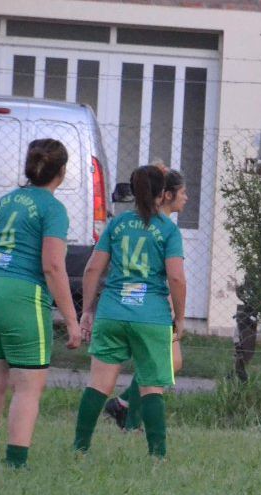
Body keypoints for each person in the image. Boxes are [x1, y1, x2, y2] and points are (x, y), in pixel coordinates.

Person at [0, 138, 81, 468]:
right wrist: (71, 319)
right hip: (21, 296)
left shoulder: (7, 200)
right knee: (27, 388)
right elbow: (53, 266)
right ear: (62, 172)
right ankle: (15, 466)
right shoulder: (53, 209)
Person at [73, 165, 186, 458]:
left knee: (99, 382)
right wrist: (181, 318)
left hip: (112, 311)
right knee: (152, 386)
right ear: (163, 194)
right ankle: (157, 456)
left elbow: (93, 268)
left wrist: (86, 310)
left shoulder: (118, 224)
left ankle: (80, 448)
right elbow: (175, 278)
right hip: (151, 315)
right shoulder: (168, 230)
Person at [103, 168, 189, 432]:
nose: (186, 198)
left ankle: (124, 405)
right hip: (149, 306)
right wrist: (177, 312)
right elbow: (170, 275)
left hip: (153, 302)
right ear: (167, 195)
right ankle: (130, 416)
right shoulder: (159, 226)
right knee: (163, 364)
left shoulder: (165, 226)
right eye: (183, 192)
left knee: (169, 363)